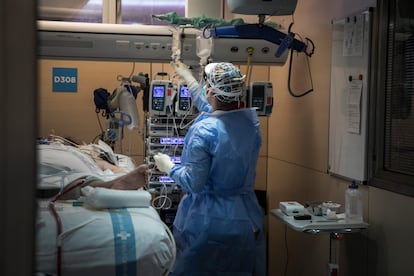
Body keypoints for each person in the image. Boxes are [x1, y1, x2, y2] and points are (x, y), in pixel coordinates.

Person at [154, 61, 266, 275]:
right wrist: (188, 79)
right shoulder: (248, 124)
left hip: (210, 223)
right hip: (246, 218)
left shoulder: (204, 131)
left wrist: (169, 167)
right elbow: (212, 109)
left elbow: (193, 183)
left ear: (211, 90)